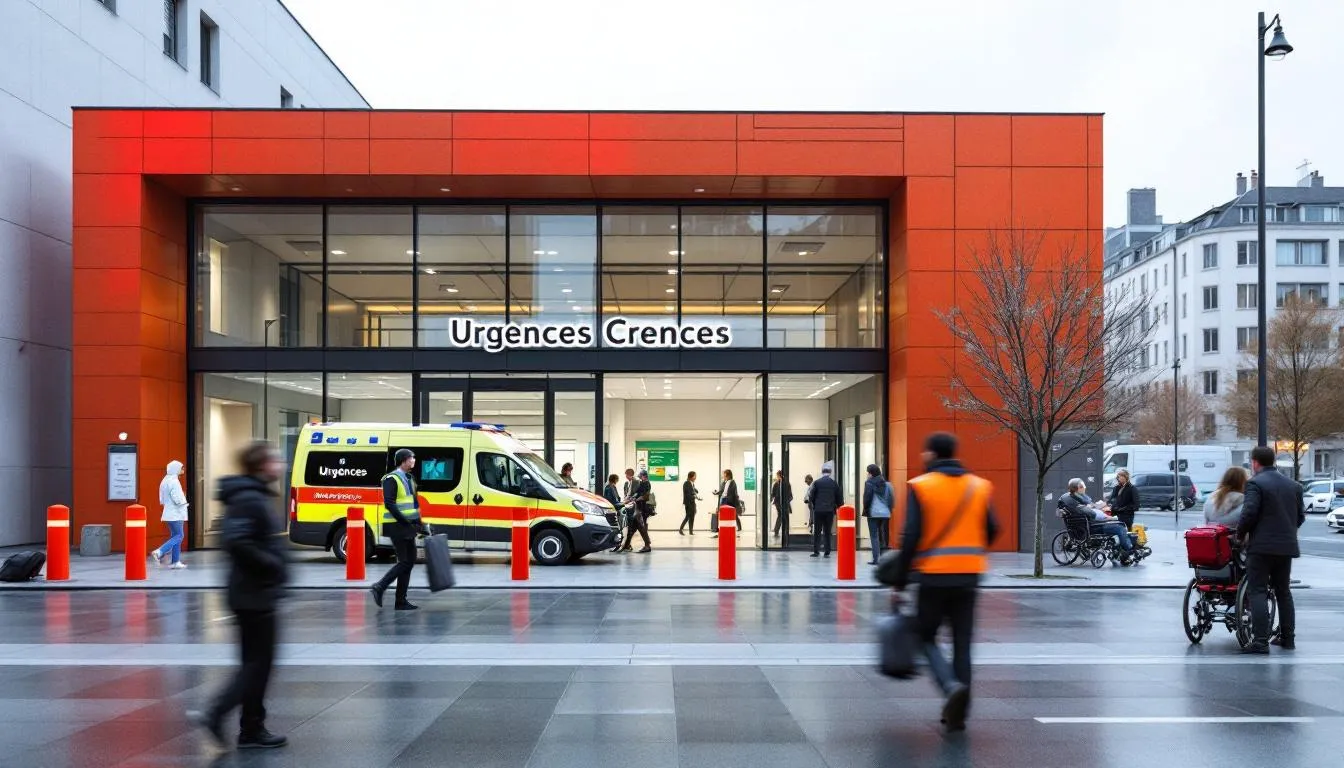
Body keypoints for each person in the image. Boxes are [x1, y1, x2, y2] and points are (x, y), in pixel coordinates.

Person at [879, 432, 998, 733]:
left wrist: (900, 582)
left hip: (933, 576)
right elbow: (993, 529)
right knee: (962, 644)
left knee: (924, 636)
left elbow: (912, 538)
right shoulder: (979, 486)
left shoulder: (922, 487)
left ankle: (949, 686)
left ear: (931, 454)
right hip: (970, 576)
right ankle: (959, 713)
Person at [190, 441, 289, 750]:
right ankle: (219, 714)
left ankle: (252, 728)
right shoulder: (248, 499)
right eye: (276, 461)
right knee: (257, 664)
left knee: (256, 663)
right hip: (253, 594)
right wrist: (272, 565)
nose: (281, 466)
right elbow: (238, 541)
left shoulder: (254, 496)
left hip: (256, 592)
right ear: (262, 465)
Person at [1237, 446, 1305, 653]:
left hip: (1261, 547)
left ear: (1255, 462)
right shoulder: (1294, 485)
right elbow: (1300, 517)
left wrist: (1240, 535)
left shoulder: (1255, 483)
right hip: (1286, 547)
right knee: (1283, 591)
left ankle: (1260, 640)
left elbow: (1249, 513)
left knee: (1257, 591)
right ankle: (1288, 637)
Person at [370, 448, 425, 611]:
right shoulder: (391, 479)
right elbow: (389, 503)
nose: (413, 460)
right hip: (396, 526)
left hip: (408, 526)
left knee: (410, 561)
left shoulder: (410, 478)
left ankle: (400, 600)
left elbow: (414, 504)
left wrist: (420, 524)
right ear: (403, 460)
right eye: (411, 458)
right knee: (405, 561)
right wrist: (405, 521)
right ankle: (379, 587)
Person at [1061, 478, 1137, 563]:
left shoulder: (1072, 500)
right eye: (1081, 486)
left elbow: (1090, 510)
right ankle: (1129, 550)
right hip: (1093, 527)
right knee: (1120, 527)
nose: (1084, 488)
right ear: (1076, 489)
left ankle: (1120, 552)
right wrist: (1109, 518)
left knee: (1117, 524)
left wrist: (1095, 507)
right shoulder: (1079, 503)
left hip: (1085, 526)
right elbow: (1093, 515)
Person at [152, 460, 190, 569]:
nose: (183, 470)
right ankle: (160, 551)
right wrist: (183, 502)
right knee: (179, 536)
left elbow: (162, 498)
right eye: (181, 468)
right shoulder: (174, 481)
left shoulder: (165, 480)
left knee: (175, 536)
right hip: (176, 513)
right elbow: (177, 498)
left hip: (168, 512)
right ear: (175, 469)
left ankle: (175, 562)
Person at [807, 465, 841, 557]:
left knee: (817, 531)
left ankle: (816, 551)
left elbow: (811, 496)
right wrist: (839, 507)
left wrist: (815, 505)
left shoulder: (817, 483)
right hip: (829, 510)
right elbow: (839, 497)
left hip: (818, 510)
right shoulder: (834, 483)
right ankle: (827, 552)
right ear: (830, 473)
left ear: (822, 472)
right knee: (827, 531)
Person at [863, 464, 893, 565]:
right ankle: (884, 558)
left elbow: (867, 499)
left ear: (871, 473)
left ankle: (876, 559)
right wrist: (889, 509)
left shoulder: (869, 483)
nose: (867, 474)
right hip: (885, 513)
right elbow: (891, 499)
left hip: (873, 512)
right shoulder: (887, 484)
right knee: (882, 534)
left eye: (868, 472)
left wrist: (866, 509)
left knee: (874, 535)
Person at [619, 469, 653, 553]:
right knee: (632, 528)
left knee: (641, 527)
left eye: (641, 476)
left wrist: (634, 499)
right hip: (638, 508)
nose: (640, 477)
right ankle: (627, 545)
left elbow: (645, 496)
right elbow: (637, 493)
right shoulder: (642, 483)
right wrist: (632, 498)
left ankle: (647, 545)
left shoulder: (647, 483)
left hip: (641, 509)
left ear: (644, 476)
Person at [712, 469, 741, 539]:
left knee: (730, 518)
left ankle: (731, 533)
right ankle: (720, 532)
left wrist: (729, 502)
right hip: (723, 500)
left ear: (728, 475)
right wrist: (717, 493)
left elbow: (733, 494)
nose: (723, 475)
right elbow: (722, 491)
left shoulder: (732, 483)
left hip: (728, 502)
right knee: (721, 517)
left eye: (724, 474)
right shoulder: (724, 482)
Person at [770, 470, 792, 540]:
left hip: (782, 502)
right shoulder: (779, 484)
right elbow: (790, 495)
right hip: (780, 503)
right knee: (782, 516)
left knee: (782, 516)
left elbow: (773, 494)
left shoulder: (782, 483)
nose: (777, 477)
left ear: (780, 475)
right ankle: (781, 530)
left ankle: (779, 530)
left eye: (777, 475)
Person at [680, 471, 700, 535]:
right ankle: (680, 529)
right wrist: (696, 497)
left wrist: (695, 492)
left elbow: (695, 491)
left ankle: (691, 531)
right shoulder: (687, 483)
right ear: (691, 477)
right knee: (688, 516)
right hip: (688, 503)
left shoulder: (692, 484)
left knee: (692, 517)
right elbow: (689, 494)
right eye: (694, 476)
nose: (695, 477)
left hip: (692, 502)